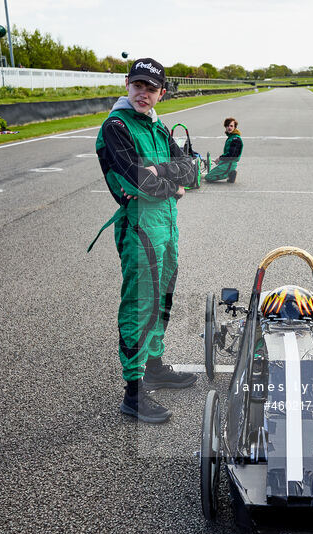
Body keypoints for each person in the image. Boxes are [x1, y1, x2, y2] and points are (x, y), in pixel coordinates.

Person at [90, 57, 198, 423]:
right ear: (126, 84)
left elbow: (190, 168)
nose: (143, 93)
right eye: (138, 85)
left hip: (166, 225)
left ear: (161, 93)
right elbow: (137, 181)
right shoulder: (116, 126)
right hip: (138, 227)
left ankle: (154, 366)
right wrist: (173, 188)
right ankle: (133, 392)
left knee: (163, 297)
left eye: (151, 88)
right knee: (140, 304)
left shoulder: (159, 126)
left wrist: (164, 174)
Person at [205, 117, 243, 183]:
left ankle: (230, 174)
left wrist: (220, 158)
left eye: (231, 126)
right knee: (215, 169)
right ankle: (230, 172)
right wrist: (220, 160)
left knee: (208, 177)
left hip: (230, 163)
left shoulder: (235, 139)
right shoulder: (231, 137)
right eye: (227, 126)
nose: (229, 127)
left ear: (235, 127)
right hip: (229, 163)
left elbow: (232, 155)